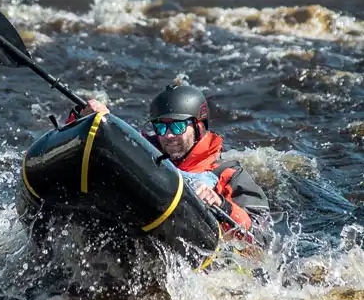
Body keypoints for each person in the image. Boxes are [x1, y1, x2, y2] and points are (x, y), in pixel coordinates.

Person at [67, 82, 271, 244]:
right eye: (161, 128)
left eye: (178, 126)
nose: (169, 136)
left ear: (199, 126)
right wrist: (87, 119)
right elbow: (108, 140)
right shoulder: (144, 149)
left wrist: (221, 204)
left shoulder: (228, 173)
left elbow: (260, 235)